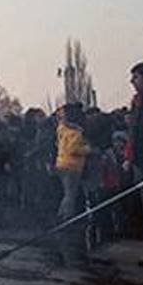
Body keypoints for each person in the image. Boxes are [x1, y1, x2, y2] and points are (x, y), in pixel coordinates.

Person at [55, 103, 91, 264]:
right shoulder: (75, 132)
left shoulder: (61, 129)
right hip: (72, 165)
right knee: (70, 193)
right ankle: (66, 216)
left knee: (67, 192)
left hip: (61, 163)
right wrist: (87, 149)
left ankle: (63, 214)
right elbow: (73, 149)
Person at [127, 62, 143, 228]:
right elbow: (134, 132)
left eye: (136, 77)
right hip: (140, 160)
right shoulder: (137, 102)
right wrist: (130, 156)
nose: (132, 81)